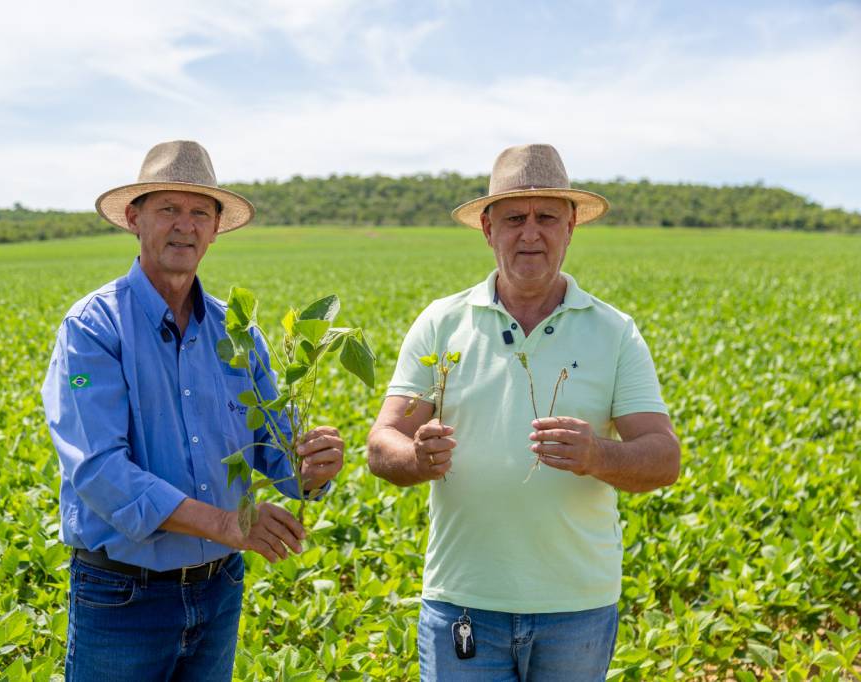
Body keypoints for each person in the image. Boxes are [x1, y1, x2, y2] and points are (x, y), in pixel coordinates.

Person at [367, 144, 680, 681]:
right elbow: (381, 444)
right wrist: (417, 458)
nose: (530, 233)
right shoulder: (443, 323)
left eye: (546, 218)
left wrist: (596, 454)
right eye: (514, 218)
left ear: (571, 226)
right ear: (488, 229)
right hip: (463, 604)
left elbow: (663, 458)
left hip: (576, 608)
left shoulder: (614, 332)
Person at [41, 140, 345, 681]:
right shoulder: (93, 327)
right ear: (135, 218)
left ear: (215, 227)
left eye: (199, 212)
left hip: (218, 587)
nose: (185, 226)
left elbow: (275, 449)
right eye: (169, 210)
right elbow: (99, 471)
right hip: (122, 597)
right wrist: (228, 523)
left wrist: (313, 468)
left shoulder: (238, 333)